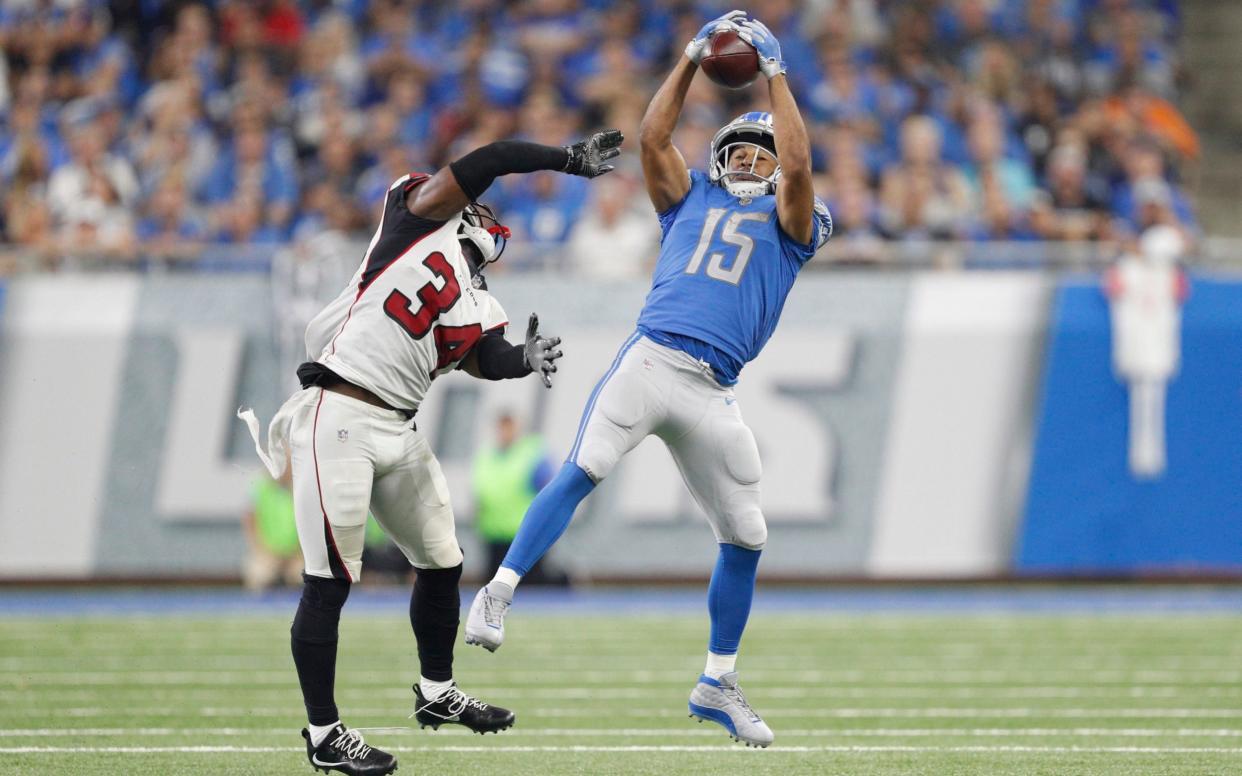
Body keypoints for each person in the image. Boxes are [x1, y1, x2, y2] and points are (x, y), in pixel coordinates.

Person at [465, 10, 832, 750]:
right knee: (583, 468)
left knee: (747, 533)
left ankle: (716, 681)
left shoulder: (799, 220)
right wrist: (692, 58)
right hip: (652, 357)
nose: (754, 164)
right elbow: (653, 137)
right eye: (743, 152)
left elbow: (798, 165)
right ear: (724, 154)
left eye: (764, 154)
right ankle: (497, 595)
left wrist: (776, 75)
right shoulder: (688, 196)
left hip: (712, 389)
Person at [239, 126, 622, 776]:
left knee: (443, 563)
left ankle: (437, 693)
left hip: (398, 427)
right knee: (329, 582)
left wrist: (523, 359)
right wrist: (566, 161)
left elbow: (482, 355)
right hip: (343, 413)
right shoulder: (416, 222)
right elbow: (495, 156)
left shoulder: (475, 296)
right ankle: (324, 733)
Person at [471, 412, 562, 584]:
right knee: (494, 586)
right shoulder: (486, 456)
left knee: (529, 586)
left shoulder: (532, 455)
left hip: (525, 535)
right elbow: (480, 494)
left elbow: (549, 492)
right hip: (494, 534)